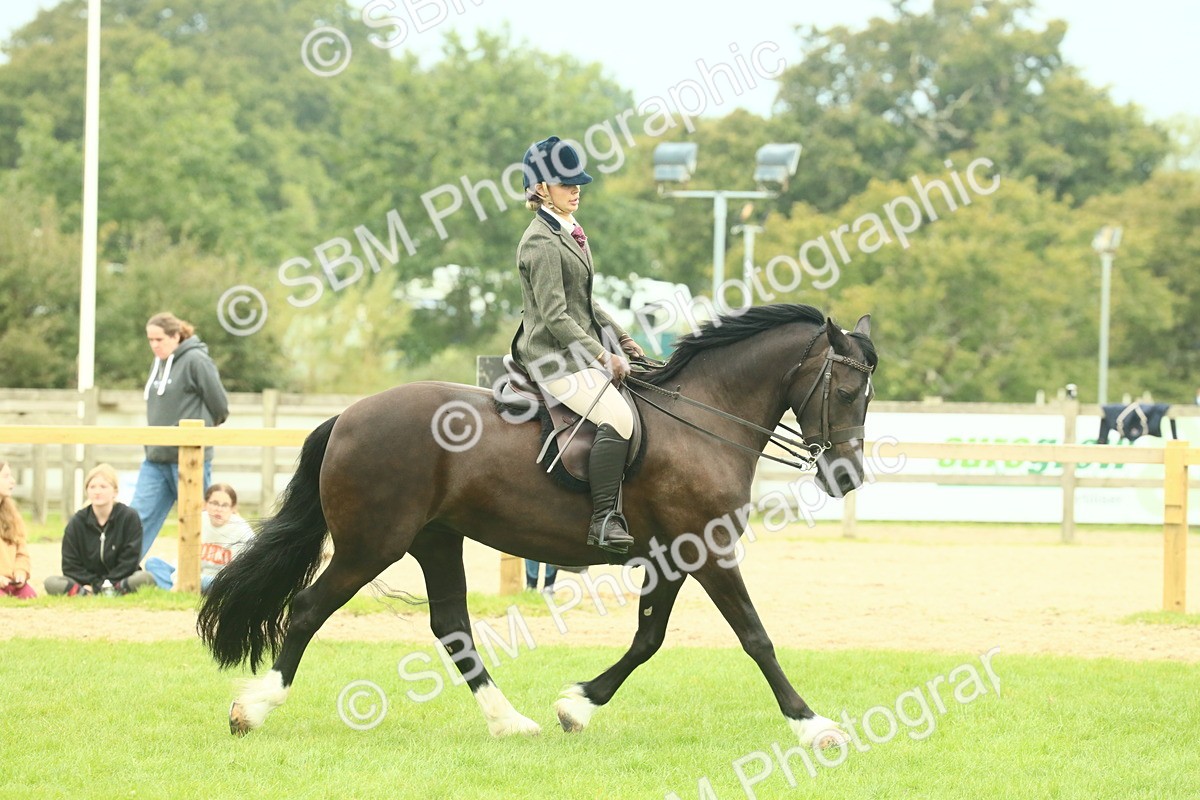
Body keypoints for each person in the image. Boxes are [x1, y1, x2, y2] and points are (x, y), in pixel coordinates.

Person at [509, 136, 645, 556]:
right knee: (619, 419)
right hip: (552, 359)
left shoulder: (569, 231)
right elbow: (555, 316)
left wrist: (621, 335)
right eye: (566, 183)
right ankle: (604, 520)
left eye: (577, 182)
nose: (576, 188)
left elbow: (585, 303)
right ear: (541, 188)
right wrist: (602, 354)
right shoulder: (542, 242)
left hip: (574, 351)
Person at [131, 311, 229, 558]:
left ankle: (210, 573)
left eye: (159, 339)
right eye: (150, 340)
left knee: (200, 521)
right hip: (155, 458)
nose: (154, 345)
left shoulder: (197, 360)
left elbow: (220, 405)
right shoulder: (159, 362)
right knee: (136, 520)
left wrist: (203, 433)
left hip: (189, 458)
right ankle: (118, 576)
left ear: (176, 336)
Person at [44, 464, 156, 596]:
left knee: (145, 578)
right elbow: (70, 564)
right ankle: (90, 593)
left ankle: (112, 590)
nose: (97, 491)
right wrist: (94, 584)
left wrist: (107, 583)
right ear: (87, 491)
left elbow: (130, 560)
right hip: (86, 583)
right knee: (51, 582)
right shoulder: (77, 522)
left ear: (115, 491)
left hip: (120, 579)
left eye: (103, 487)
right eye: (92, 487)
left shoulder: (129, 518)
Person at [145, 483, 253, 593]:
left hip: (221, 582)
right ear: (205, 504)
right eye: (214, 503)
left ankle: (181, 589)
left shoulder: (242, 529)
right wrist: (181, 579)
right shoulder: (196, 521)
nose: (219, 509)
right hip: (194, 576)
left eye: (225, 505)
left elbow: (244, 571)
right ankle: (183, 589)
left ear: (233, 508)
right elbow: (183, 560)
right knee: (152, 563)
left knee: (205, 582)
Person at [0, 460, 36, 598]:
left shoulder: (11, 515)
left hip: (11, 582)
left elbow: (22, 553)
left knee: (30, 596)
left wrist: (21, 572)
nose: (13, 481)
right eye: (6, 476)